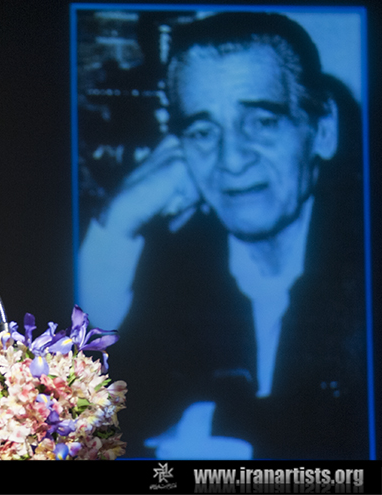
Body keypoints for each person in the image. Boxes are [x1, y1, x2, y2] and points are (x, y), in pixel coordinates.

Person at [78, 12, 367, 459]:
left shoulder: (362, 262)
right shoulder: (169, 270)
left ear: (322, 129)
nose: (231, 160)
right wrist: (115, 227)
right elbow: (74, 419)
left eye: (262, 122)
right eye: (203, 131)